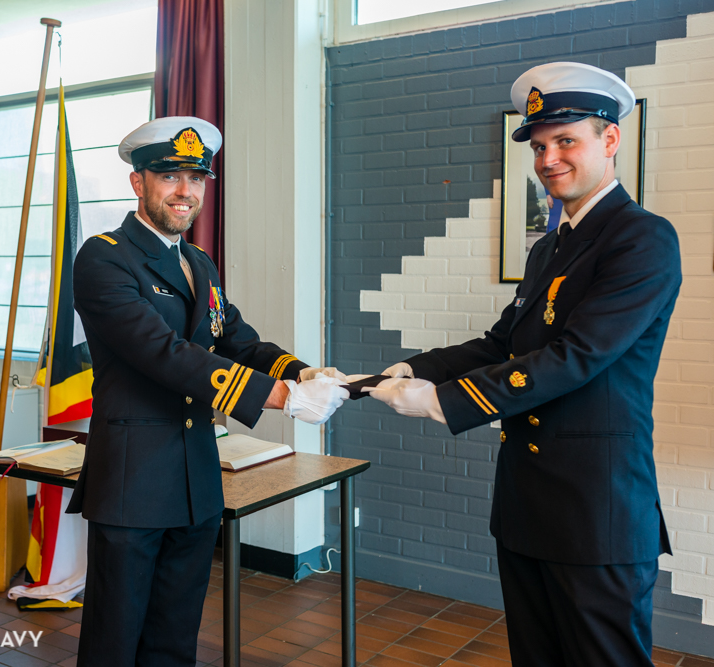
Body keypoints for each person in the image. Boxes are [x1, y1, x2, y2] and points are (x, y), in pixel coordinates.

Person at [366, 62, 681, 666]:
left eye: (566, 141)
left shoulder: (641, 239)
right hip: (528, 505)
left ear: (609, 140)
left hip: (596, 513)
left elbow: (576, 357)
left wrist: (441, 400)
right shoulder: (551, 247)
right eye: (539, 146)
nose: (548, 159)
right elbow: (502, 343)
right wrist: (413, 368)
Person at [66, 116, 349, 667]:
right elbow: (164, 354)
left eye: (195, 178)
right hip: (132, 483)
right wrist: (282, 399)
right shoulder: (103, 257)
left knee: (175, 636)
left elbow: (236, 339)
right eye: (169, 175)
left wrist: (303, 373)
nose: (184, 190)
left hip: (195, 479)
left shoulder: (197, 263)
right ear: (138, 182)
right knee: (115, 641)